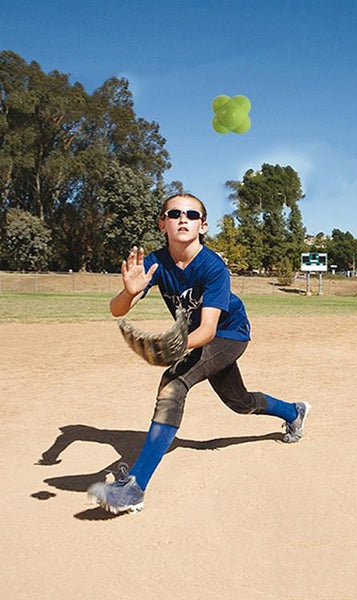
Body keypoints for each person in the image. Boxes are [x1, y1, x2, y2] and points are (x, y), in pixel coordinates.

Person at [87, 193, 310, 514]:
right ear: (162, 223)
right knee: (239, 402)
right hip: (199, 338)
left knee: (173, 383)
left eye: (192, 215)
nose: (183, 219)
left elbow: (207, 331)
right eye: (174, 213)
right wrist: (128, 291)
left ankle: (134, 488)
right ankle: (293, 412)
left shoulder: (213, 266)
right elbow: (117, 309)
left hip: (230, 333)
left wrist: (171, 348)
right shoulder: (154, 263)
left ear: (202, 226)